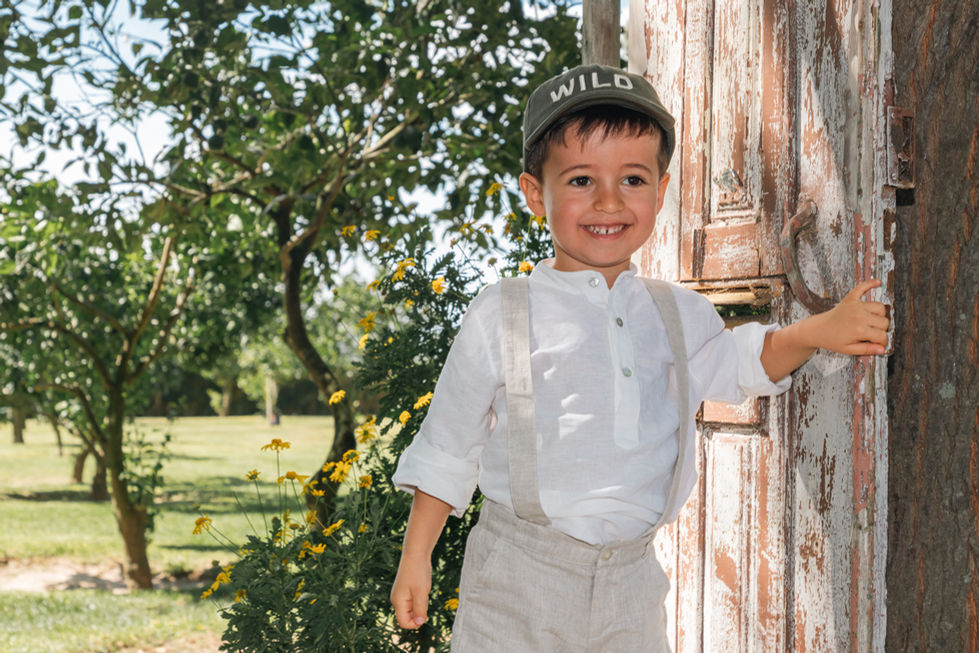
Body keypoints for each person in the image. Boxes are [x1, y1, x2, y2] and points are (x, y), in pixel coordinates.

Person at [389, 63, 890, 652]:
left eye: (632, 179)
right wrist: (416, 557)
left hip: (632, 580)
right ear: (534, 194)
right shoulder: (503, 313)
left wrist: (817, 331)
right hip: (520, 574)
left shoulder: (677, 314)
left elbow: (737, 363)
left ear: (662, 189)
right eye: (579, 181)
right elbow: (450, 442)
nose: (608, 201)